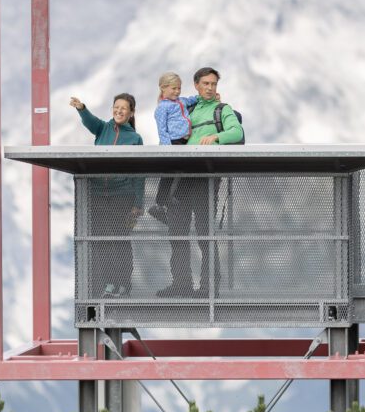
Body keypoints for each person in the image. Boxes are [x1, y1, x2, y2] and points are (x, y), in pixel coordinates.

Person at [159, 67, 244, 297]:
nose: (210, 88)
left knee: (205, 233)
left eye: (213, 84)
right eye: (205, 84)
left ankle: (208, 288)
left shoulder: (222, 109)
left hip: (206, 176)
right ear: (196, 85)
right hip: (183, 176)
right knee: (177, 233)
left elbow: (237, 133)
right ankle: (181, 284)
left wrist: (216, 136)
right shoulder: (190, 107)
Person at [69, 93, 143, 296]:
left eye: (123, 108)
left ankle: (124, 285)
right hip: (99, 195)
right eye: (116, 107)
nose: (119, 111)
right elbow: (90, 122)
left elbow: (139, 173)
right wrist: (82, 108)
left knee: (121, 241)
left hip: (123, 196)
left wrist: (138, 203)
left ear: (131, 113)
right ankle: (107, 284)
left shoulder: (135, 138)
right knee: (101, 241)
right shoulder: (103, 129)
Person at [149, 71, 192, 224]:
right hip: (173, 143)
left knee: (176, 173)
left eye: (179, 88)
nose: (177, 91)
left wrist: (203, 98)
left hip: (182, 143)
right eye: (173, 88)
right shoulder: (162, 107)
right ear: (163, 88)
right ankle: (159, 204)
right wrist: (168, 148)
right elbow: (162, 129)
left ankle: (166, 202)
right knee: (169, 175)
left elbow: (191, 99)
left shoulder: (181, 101)